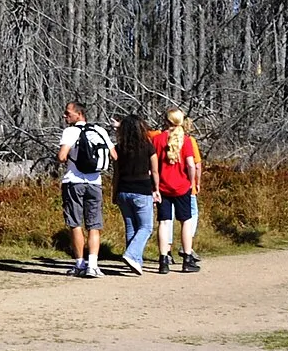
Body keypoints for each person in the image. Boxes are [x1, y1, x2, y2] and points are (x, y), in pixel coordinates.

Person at [55, 101, 112, 278]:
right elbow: (114, 154)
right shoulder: (99, 130)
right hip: (95, 182)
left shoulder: (70, 132)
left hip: (74, 181)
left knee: (75, 223)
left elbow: (62, 156)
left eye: (68, 113)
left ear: (79, 114)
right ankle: (93, 265)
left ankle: (80, 263)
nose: (65, 116)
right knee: (94, 224)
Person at [154, 108, 203, 274]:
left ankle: (163, 260)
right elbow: (190, 164)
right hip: (182, 186)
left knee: (164, 222)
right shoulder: (186, 140)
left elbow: (152, 166)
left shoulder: (158, 139)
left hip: (162, 186)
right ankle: (187, 258)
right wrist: (192, 182)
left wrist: (154, 186)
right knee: (185, 221)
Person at [111, 114, 161, 275]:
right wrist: (157, 189)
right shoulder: (148, 146)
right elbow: (154, 171)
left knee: (131, 227)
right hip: (142, 190)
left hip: (123, 191)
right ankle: (131, 254)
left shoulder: (119, 148)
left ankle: (135, 261)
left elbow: (116, 174)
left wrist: (114, 192)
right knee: (146, 227)